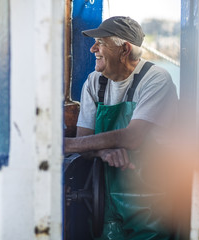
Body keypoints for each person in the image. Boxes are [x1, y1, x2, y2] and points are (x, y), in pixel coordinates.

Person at [65, 16, 178, 240]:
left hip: (153, 202)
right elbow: (84, 139)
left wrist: (67, 145)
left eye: (100, 42)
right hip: (106, 199)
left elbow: (132, 137)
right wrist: (103, 152)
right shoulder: (94, 82)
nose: (92, 48)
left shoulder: (156, 79)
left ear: (124, 49)